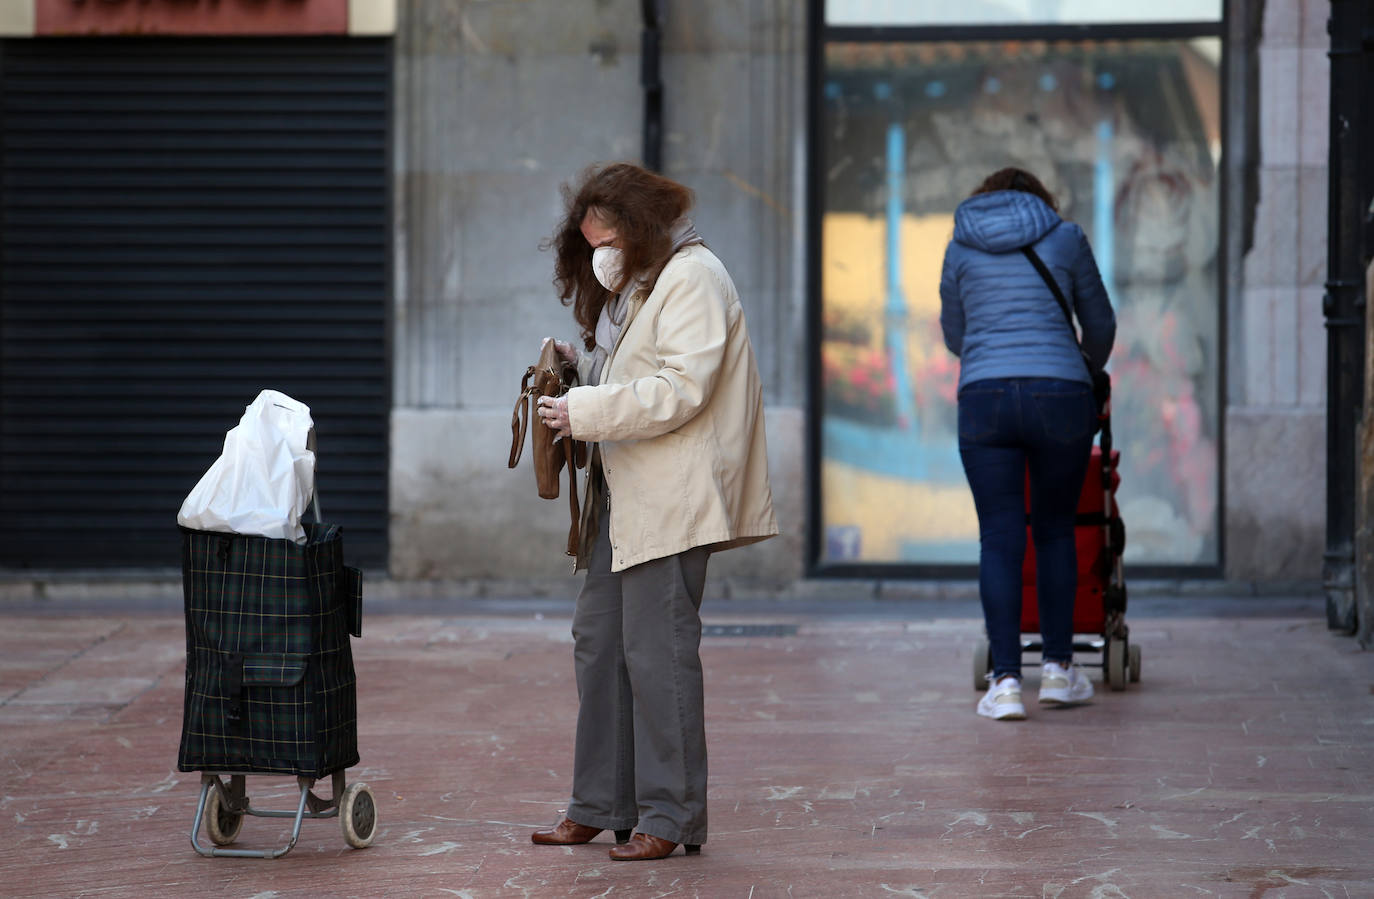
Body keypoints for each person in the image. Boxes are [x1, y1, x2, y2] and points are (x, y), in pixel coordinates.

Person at [529, 162, 778, 860]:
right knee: (600, 643)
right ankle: (599, 803)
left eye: (603, 237)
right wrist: (580, 373)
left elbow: (681, 387)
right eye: (587, 241)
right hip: (628, 493)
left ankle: (669, 817)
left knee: (657, 651)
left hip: (673, 496)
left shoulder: (693, 276)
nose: (596, 253)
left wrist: (584, 408)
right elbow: (637, 377)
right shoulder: (634, 288)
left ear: (638, 227)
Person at [938, 167, 1116, 721]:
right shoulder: (1066, 238)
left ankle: (1008, 682)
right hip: (1060, 394)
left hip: (985, 398)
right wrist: (1079, 368)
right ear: (1040, 200)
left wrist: (994, 358)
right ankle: (1061, 672)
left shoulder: (959, 246)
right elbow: (1101, 323)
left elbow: (954, 334)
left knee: (999, 537)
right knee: (1057, 530)